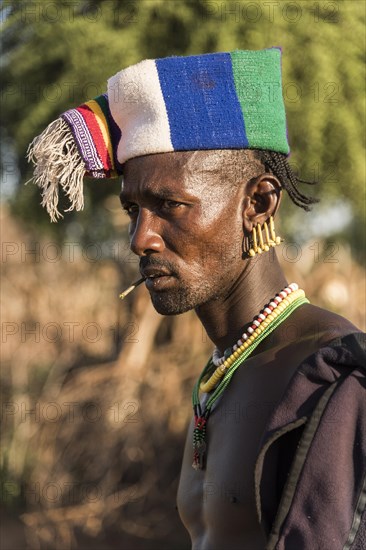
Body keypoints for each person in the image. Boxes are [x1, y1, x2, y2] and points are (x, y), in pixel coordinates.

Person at [28, 49, 365, 549]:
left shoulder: (332, 379)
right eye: (132, 209)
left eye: (170, 206)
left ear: (258, 203)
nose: (140, 239)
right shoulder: (221, 373)